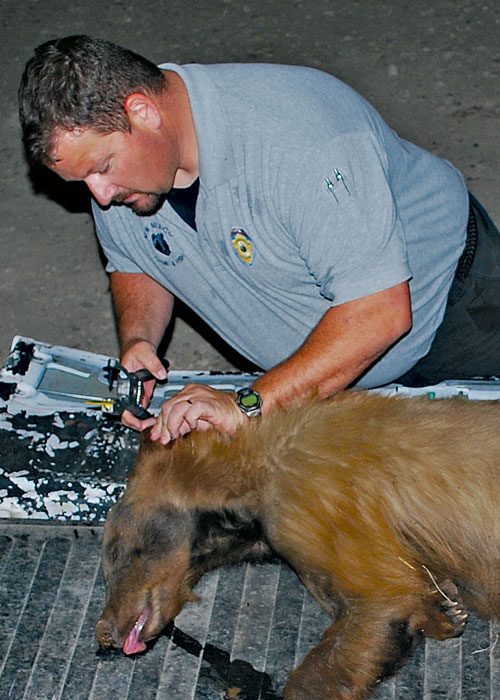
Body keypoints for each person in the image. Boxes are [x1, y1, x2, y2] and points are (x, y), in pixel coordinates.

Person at [19, 35, 500, 443]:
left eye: (101, 169)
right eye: (83, 182)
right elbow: (136, 260)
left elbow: (380, 312)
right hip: (312, 380)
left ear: (142, 111)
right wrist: (139, 338)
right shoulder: (129, 176)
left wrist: (249, 405)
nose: (99, 197)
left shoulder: (301, 143)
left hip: (456, 309)